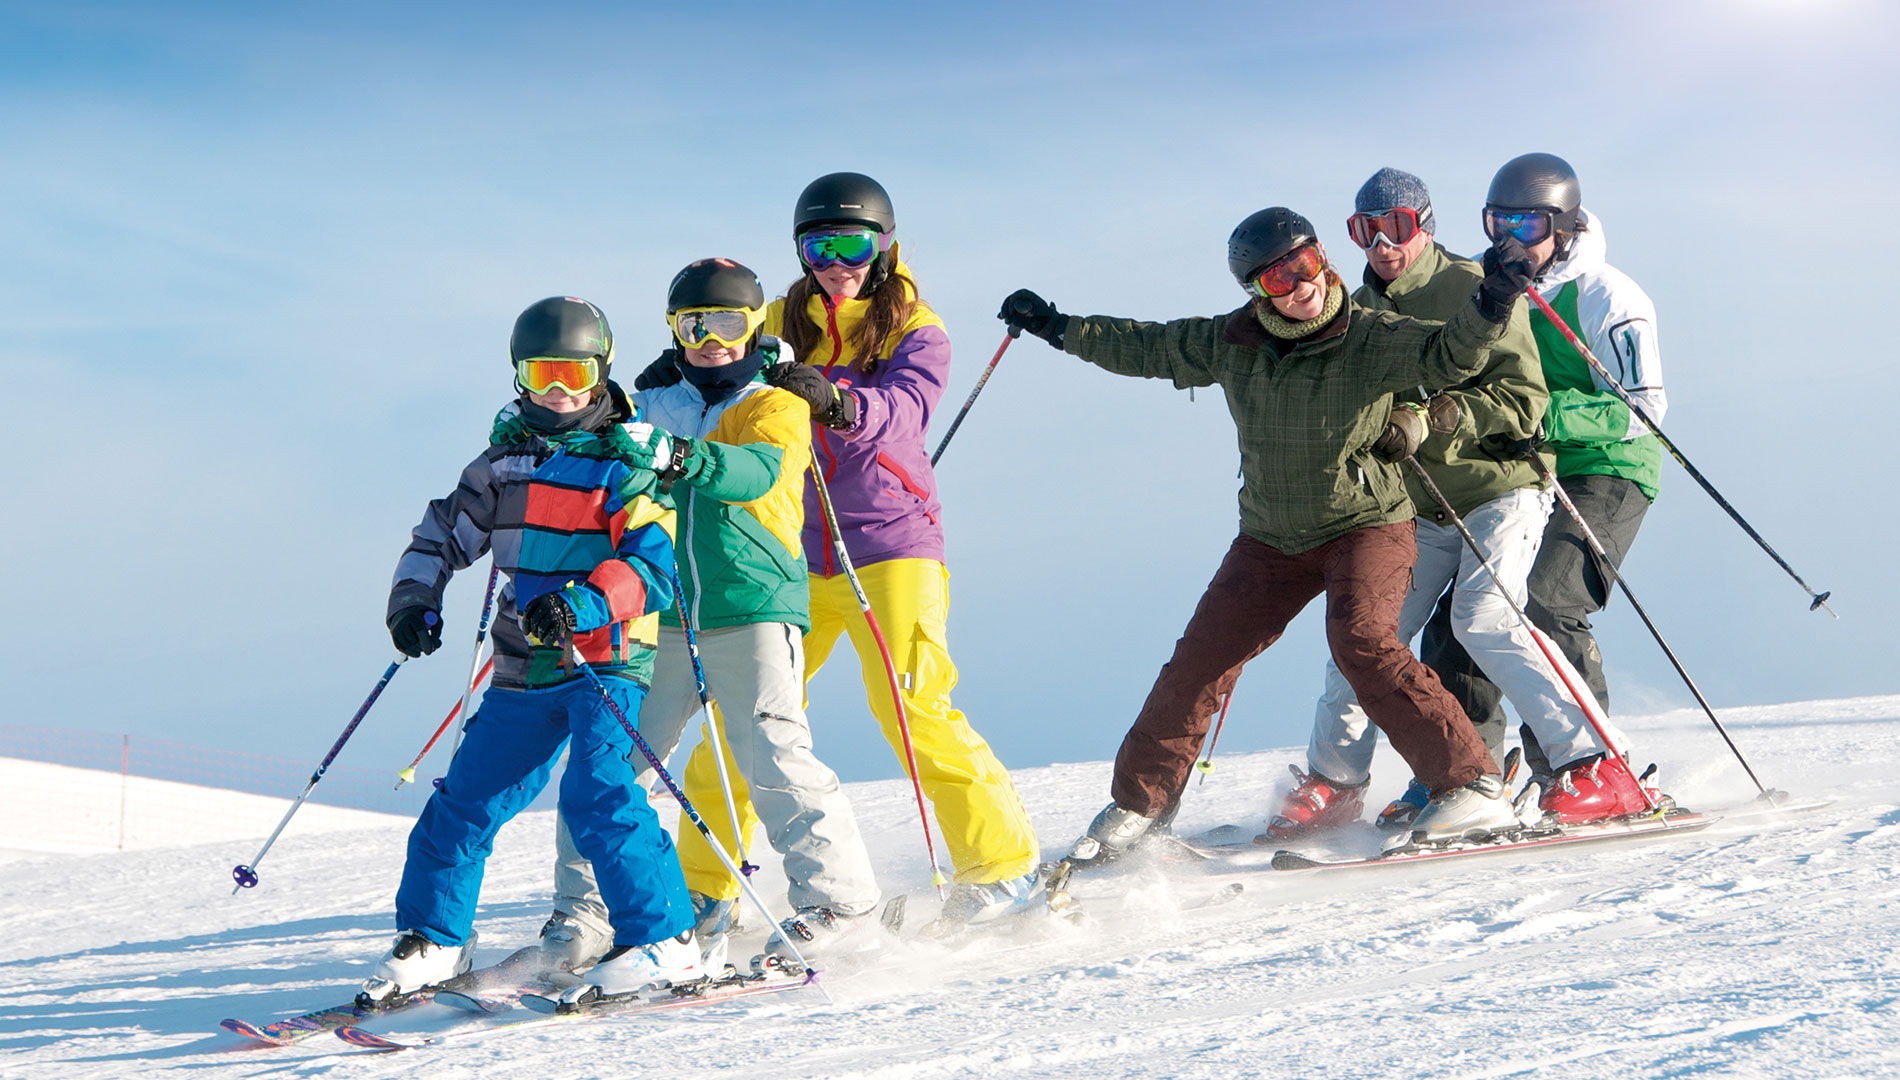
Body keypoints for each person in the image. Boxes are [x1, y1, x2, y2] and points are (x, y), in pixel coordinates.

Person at [1000, 204, 1539, 854]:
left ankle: (1471, 786)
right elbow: (1143, 346)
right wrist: (1058, 327)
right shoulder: (1233, 343)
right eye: (1277, 280)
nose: (1299, 285)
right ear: (1258, 292)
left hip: (1366, 524)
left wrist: (1493, 297)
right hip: (1271, 539)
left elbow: (1448, 353)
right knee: (1198, 662)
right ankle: (1139, 810)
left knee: (1363, 643)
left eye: (1304, 265)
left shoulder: (1372, 337)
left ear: (1322, 258)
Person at [1270, 167, 1652, 842]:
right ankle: (1340, 782)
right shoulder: (1360, 312)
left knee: (1493, 615)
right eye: (1366, 231)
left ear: (1425, 225)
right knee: (1364, 636)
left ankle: (1597, 765)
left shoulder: (1496, 291)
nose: (1383, 244)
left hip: (1507, 482)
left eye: (1398, 227)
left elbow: (1530, 397)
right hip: (1427, 501)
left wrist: (1436, 418)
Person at [541, 259, 882, 971]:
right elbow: (582, 452)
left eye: (728, 323)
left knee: (772, 755)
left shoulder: (775, 403)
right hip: (659, 617)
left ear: (754, 326)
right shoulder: (652, 404)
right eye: (693, 324)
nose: (711, 339)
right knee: (608, 767)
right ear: (674, 330)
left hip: (750, 605)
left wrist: (677, 454)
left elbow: (754, 473)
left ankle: (840, 905)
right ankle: (586, 916)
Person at [370, 296, 700, 1000]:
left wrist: (581, 603)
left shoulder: (628, 463)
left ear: (600, 373)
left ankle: (666, 941)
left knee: (600, 796)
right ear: (519, 376)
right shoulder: (501, 466)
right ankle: (436, 939)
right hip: (524, 668)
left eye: (573, 374)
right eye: (542, 373)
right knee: (465, 799)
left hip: (605, 662)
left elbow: (652, 567)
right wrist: (414, 600)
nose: (558, 392)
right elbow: (440, 535)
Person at [1419, 153, 1668, 818]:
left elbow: (1643, 409)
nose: (1510, 238)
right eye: (1498, 222)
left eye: (1527, 224)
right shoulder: (1491, 289)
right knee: (1460, 616)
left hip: (1609, 467)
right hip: (1527, 471)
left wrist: (1544, 417)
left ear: (1561, 225)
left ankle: (1595, 771)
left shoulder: (1606, 295)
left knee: (1544, 599)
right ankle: (1469, 776)